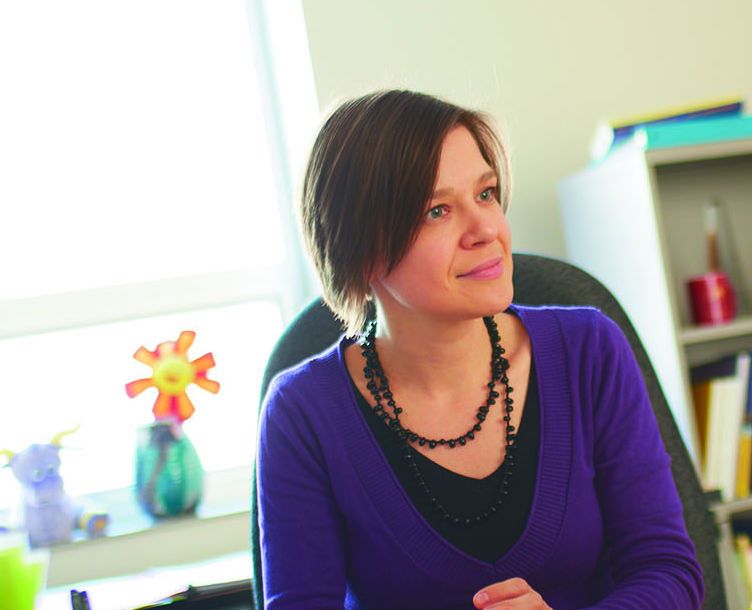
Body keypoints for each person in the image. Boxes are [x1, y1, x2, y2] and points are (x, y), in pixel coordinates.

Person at [256, 90, 704, 610]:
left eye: (486, 193)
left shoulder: (590, 350)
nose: (487, 229)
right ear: (361, 250)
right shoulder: (303, 414)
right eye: (437, 210)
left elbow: (669, 572)